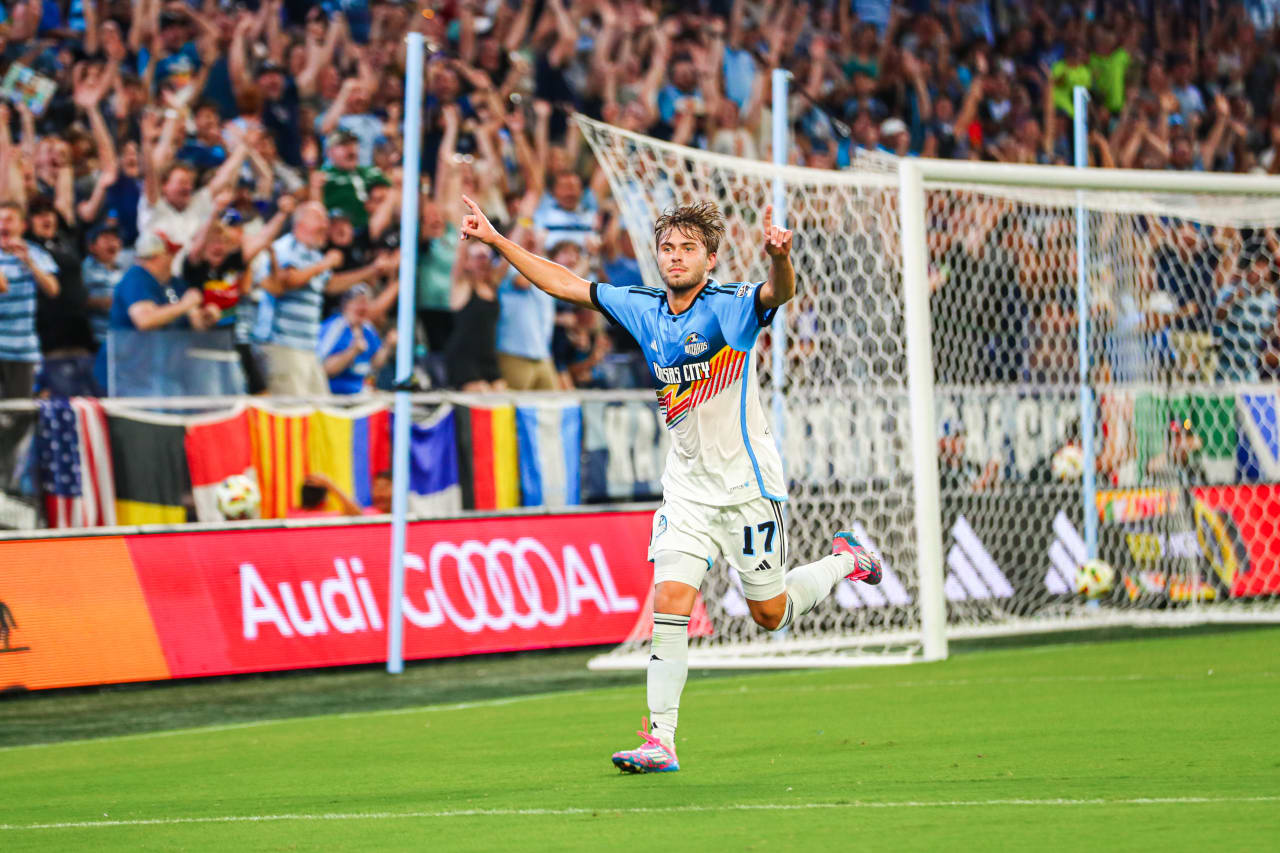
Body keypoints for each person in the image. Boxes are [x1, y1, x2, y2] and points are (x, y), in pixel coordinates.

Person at [459, 195, 884, 774]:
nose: (676, 257)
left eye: (688, 248)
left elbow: (778, 294)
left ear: (710, 258)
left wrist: (781, 259)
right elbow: (564, 283)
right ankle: (661, 739)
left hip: (747, 488)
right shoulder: (643, 307)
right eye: (667, 248)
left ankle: (846, 560)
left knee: (770, 614)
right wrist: (497, 240)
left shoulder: (731, 306)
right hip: (686, 489)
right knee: (670, 601)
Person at [0, 201, 61, 398]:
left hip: (23, 349)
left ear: (22, 225)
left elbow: (53, 289)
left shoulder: (35, 252)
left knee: (21, 414)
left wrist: (29, 263)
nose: (3, 225)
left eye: (9, 220)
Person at [316, 284, 396, 395]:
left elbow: (374, 364)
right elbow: (322, 369)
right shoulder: (334, 327)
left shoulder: (368, 328)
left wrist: (387, 345)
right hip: (333, 395)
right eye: (358, 302)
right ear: (346, 305)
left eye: (366, 302)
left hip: (359, 393)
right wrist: (352, 352)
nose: (362, 307)